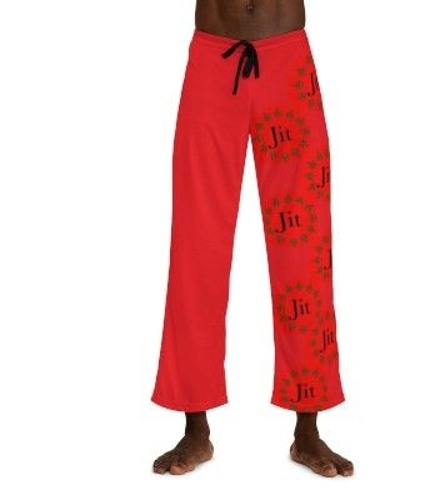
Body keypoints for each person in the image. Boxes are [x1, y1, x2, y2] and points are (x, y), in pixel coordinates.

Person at [151, 0, 354, 478]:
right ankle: (195, 427)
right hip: (211, 60)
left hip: (288, 62)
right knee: (197, 245)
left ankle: (308, 428)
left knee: (305, 249)